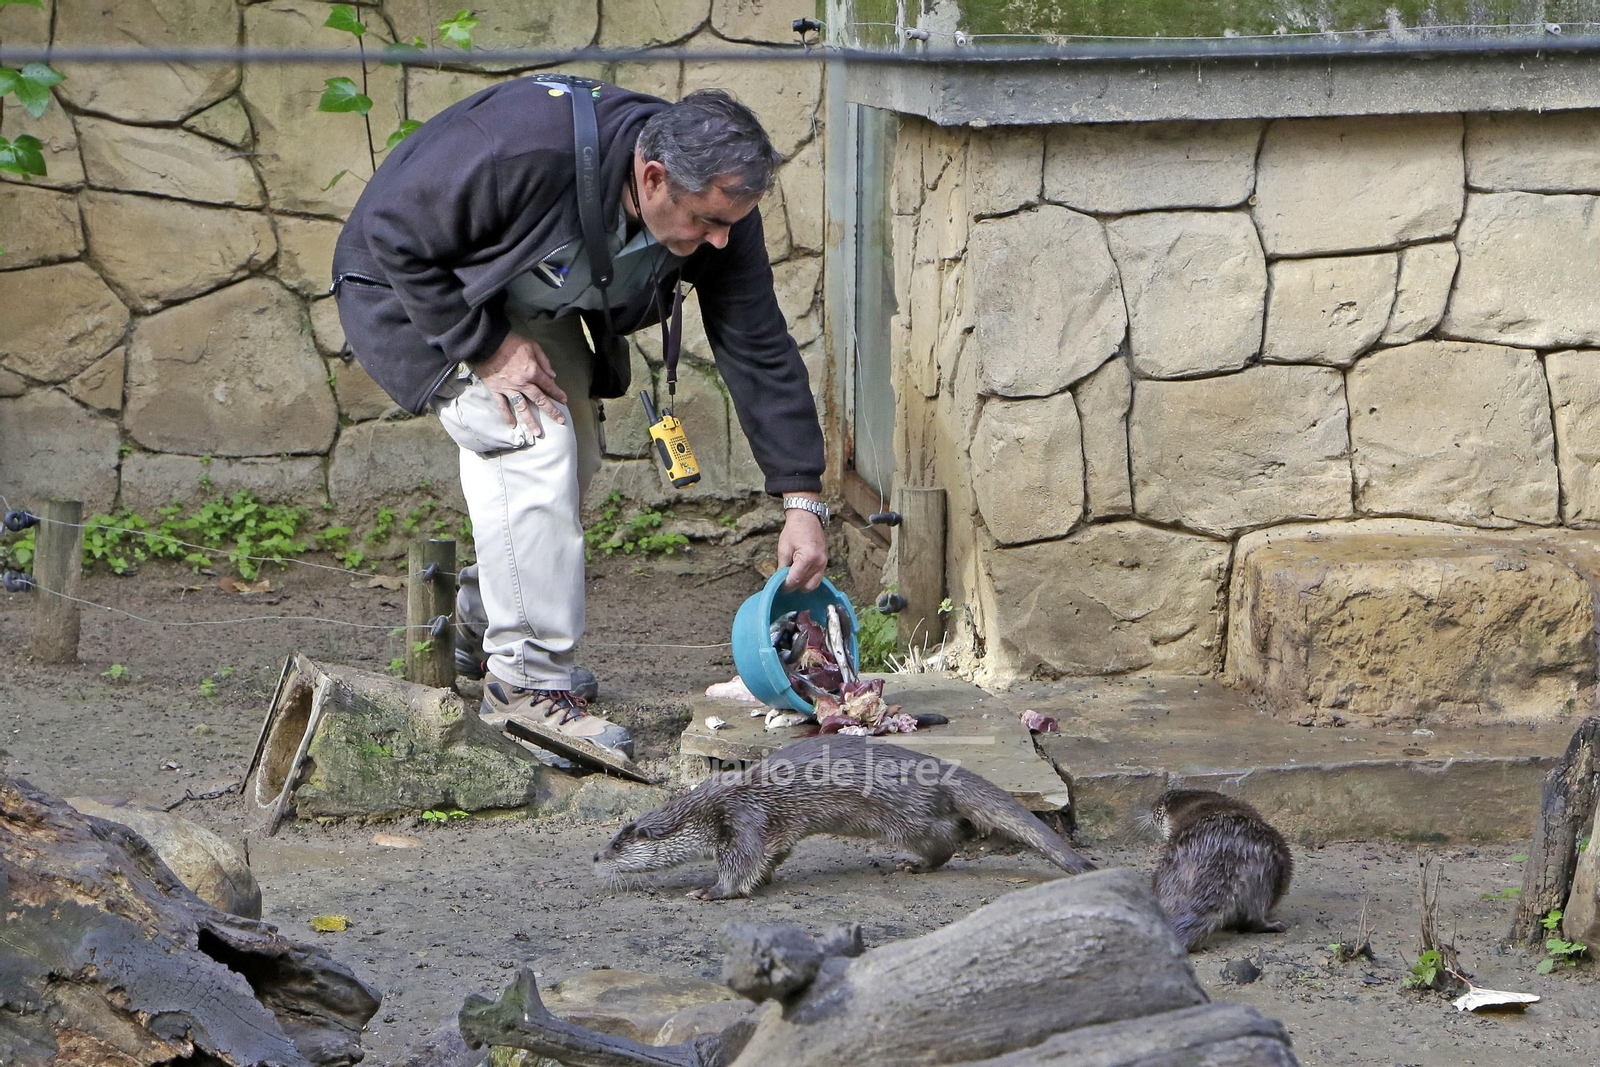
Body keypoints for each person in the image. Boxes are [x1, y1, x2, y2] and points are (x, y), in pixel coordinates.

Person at [331, 78, 829, 761]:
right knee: (528, 436)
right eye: (706, 222)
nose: (719, 241)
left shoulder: (719, 201)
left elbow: (758, 343)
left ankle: (481, 625)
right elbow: (391, 232)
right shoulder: (522, 150)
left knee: (579, 450)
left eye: (730, 223)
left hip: (512, 291)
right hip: (411, 290)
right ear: (653, 178)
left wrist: (802, 498)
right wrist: (483, 348)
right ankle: (525, 690)